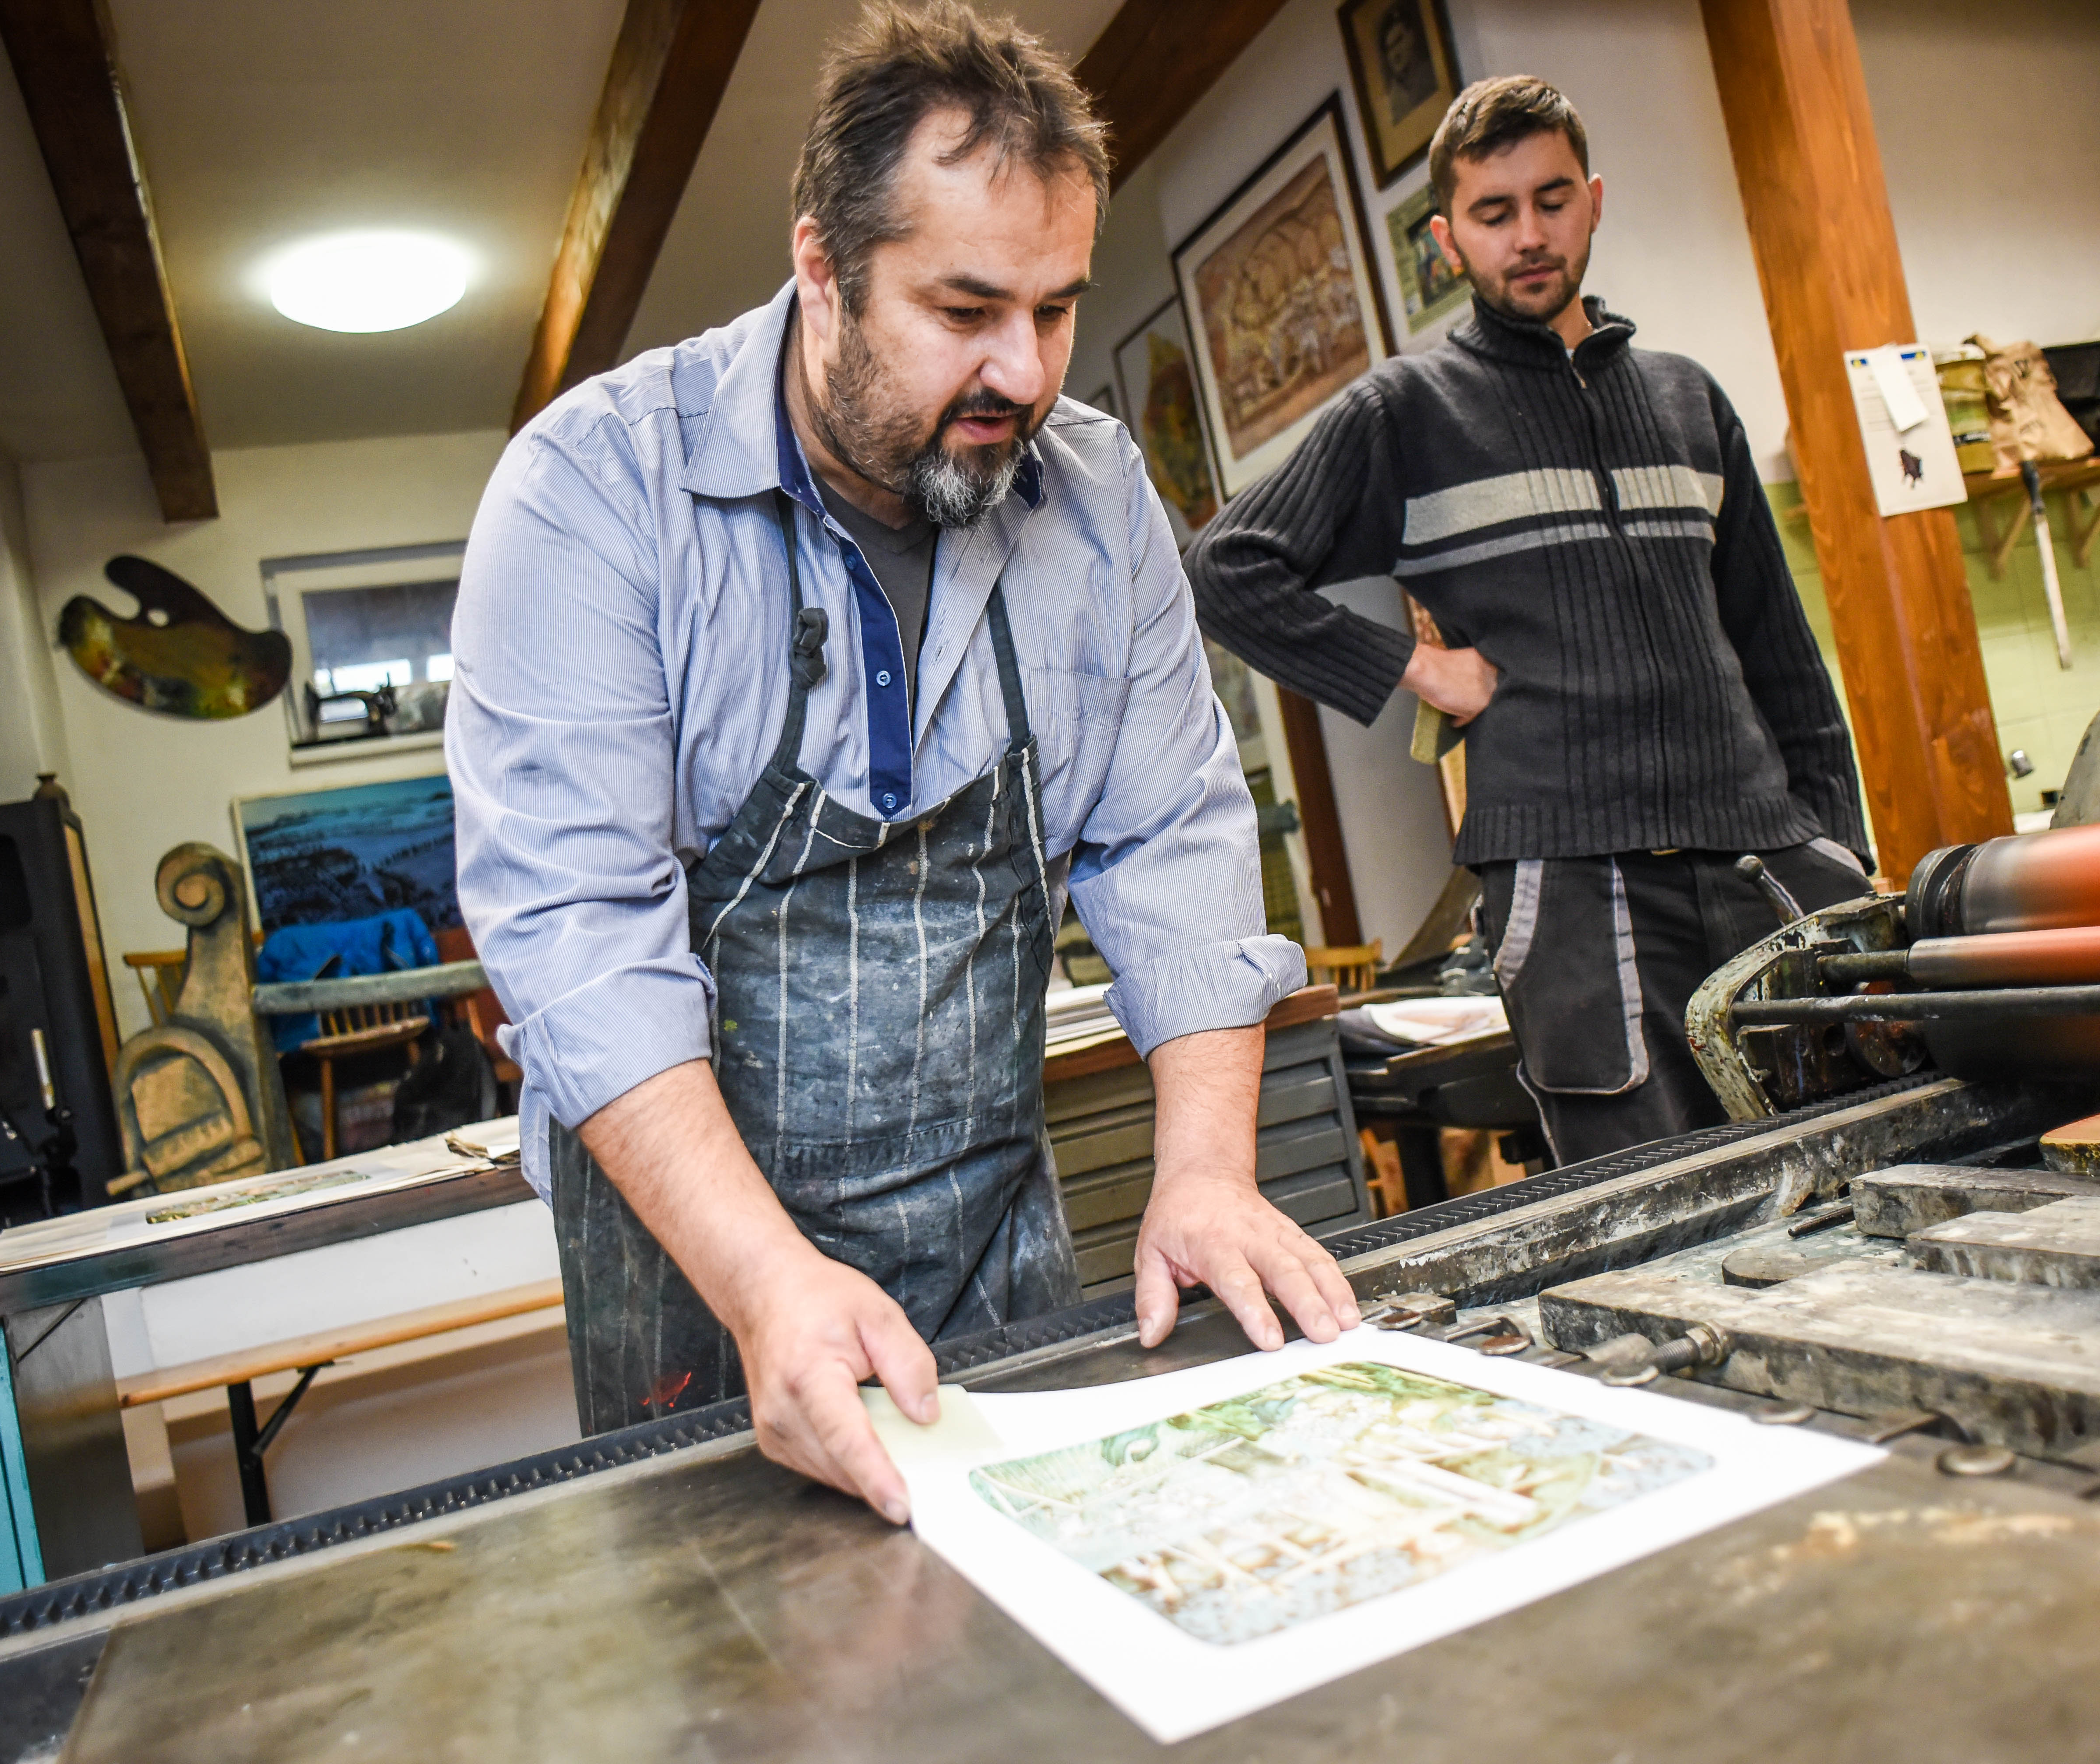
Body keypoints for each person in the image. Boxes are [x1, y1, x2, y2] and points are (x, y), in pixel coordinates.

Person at [447, 1, 1358, 1526]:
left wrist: (1206, 1172)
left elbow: (1174, 842)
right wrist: (765, 1281)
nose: (1024, 370)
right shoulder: (590, 495)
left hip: (993, 1240)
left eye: (1054, 310)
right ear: (822, 267)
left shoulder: (1096, 499)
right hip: (702, 1283)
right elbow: (579, 937)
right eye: (965, 309)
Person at [1187, 76, 1873, 1168]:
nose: (1529, 236)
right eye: (1493, 213)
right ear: (1446, 240)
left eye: (1551, 201)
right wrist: (1423, 670)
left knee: (1847, 1157)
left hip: (1758, 860)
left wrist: (1840, 854)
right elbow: (1225, 568)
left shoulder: (1689, 401)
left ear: (1592, 201)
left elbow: (1779, 656)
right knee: (1650, 1197)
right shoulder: (1406, 414)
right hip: (1570, 890)